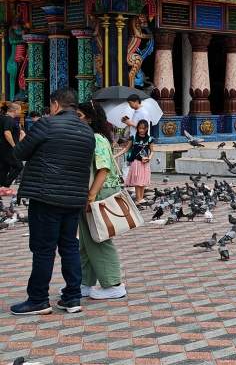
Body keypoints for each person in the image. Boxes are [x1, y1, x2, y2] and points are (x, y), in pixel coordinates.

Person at [10, 89, 95, 316]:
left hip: (46, 195)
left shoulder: (46, 124)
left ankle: (38, 299)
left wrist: (21, 135)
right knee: (69, 246)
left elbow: (19, 153)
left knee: (43, 249)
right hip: (74, 197)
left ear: (55, 105)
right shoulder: (87, 131)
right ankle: (72, 297)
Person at [76, 101, 128, 301]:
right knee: (87, 241)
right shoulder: (96, 137)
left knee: (99, 239)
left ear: (90, 118)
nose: (76, 119)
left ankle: (114, 284)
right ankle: (85, 283)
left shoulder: (96, 138)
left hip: (98, 193)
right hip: (94, 192)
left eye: (79, 116)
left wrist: (90, 196)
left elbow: (103, 169)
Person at [125, 119, 153, 203]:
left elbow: (152, 151)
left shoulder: (150, 139)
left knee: (143, 181)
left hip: (145, 162)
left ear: (147, 129)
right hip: (136, 162)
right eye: (139, 128)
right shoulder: (133, 138)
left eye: (143, 128)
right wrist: (115, 155)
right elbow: (126, 149)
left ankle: (141, 198)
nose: (141, 130)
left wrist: (149, 158)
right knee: (137, 181)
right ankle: (138, 199)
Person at [0, 102, 24, 187]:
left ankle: (2, 188)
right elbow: (7, 133)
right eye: (20, 110)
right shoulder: (9, 119)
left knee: (4, 168)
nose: (21, 112)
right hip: (8, 149)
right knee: (19, 166)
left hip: (2, 148)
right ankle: (6, 184)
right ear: (15, 110)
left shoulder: (2, 118)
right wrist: (14, 146)